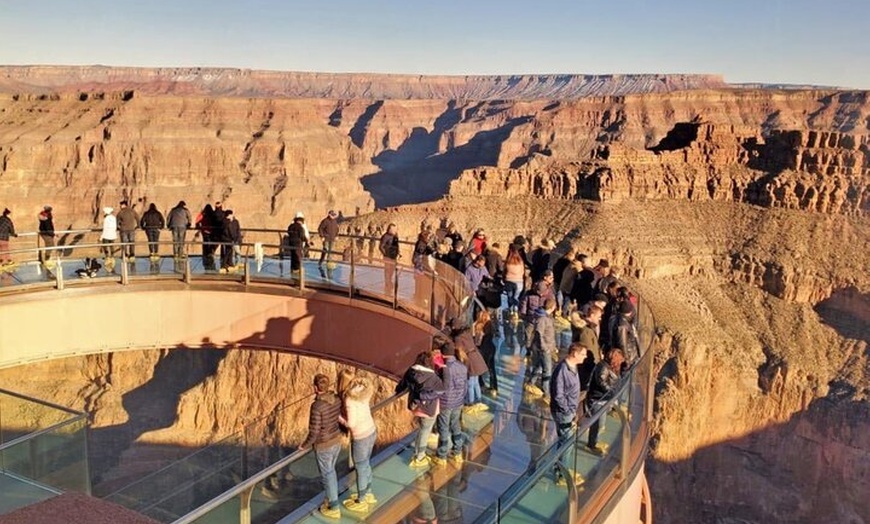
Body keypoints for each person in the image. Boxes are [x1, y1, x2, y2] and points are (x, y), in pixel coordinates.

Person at [299, 374, 343, 520]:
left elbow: (314, 430)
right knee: (331, 471)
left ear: (315, 387)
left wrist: (305, 445)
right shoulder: (336, 399)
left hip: (324, 444)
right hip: (336, 440)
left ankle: (334, 506)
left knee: (327, 474)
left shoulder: (317, 406)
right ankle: (331, 498)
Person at [395, 351, 445, 468]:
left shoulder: (411, 371)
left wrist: (398, 391)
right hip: (429, 407)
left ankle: (419, 452)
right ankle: (420, 456)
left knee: (422, 429)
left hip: (417, 406)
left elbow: (402, 384)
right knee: (425, 431)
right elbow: (441, 390)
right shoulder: (432, 377)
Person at [550, 342, 590, 487]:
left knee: (565, 442)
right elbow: (558, 395)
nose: (585, 357)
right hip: (563, 413)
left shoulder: (573, 368)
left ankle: (560, 468)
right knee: (567, 443)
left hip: (570, 411)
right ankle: (561, 474)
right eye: (583, 354)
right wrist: (568, 411)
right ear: (575, 353)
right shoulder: (562, 370)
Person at [338, 371, 378, 513]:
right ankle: (368, 492)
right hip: (371, 430)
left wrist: (339, 418)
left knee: (360, 466)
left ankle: (361, 500)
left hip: (360, 436)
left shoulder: (349, 400)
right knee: (366, 463)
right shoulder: (363, 392)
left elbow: (352, 424)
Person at [432, 341, 468, 466]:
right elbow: (465, 386)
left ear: (443, 354)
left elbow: (442, 387)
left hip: (446, 403)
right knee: (455, 425)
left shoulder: (445, 369)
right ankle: (458, 452)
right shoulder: (462, 366)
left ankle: (442, 455)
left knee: (443, 428)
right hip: (458, 402)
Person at [586, 348, 625, 455]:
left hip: (605, 399)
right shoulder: (602, 367)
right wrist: (611, 393)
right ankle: (592, 444)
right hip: (598, 399)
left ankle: (594, 441)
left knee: (600, 423)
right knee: (598, 423)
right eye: (620, 359)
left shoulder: (613, 367)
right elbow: (601, 382)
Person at [473, 310, 499, 398]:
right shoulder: (491, 326)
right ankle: (494, 387)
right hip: (491, 348)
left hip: (483, 350)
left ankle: (481, 385)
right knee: (492, 369)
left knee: (479, 369)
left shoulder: (478, 326)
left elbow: (478, 342)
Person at [379, 223, 399, 296]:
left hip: (394, 257)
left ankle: (389, 283)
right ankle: (387, 286)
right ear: (389, 229)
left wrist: (398, 253)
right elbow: (381, 247)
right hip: (388, 257)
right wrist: (386, 254)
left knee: (392, 271)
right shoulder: (385, 237)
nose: (395, 230)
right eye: (393, 229)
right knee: (387, 271)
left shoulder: (395, 236)